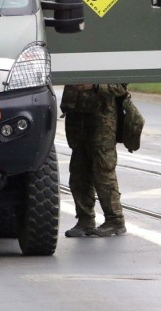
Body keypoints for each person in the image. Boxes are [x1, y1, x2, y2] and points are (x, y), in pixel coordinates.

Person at [60, 83, 128, 237]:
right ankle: (85, 219)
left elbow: (121, 85)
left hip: (102, 117)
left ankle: (115, 219)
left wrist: (96, 86)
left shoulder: (108, 58)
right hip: (77, 116)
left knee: (103, 170)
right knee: (78, 172)